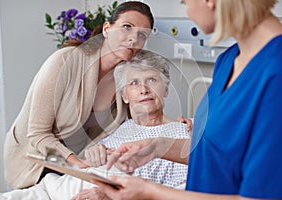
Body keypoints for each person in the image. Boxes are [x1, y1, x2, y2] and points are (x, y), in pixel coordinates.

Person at [94, 0, 282, 199]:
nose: (188, 12)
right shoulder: (228, 60)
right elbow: (217, 155)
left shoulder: (276, 72)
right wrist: (155, 146)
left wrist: (150, 192)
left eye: (185, 2)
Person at [0, 50, 190, 200]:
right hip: (57, 189)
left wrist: (111, 194)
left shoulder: (183, 134)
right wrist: (92, 154)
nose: (144, 89)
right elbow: (83, 164)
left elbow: (179, 190)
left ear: (166, 90)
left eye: (152, 80)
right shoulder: (115, 127)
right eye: (134, 83)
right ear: (124, 96)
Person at [3, 1, 157, 189]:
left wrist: (179, 124)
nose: (134, 39)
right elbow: (38, 134)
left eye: (142, 35)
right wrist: (77, 164)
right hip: (35, 160)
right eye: (127, 27)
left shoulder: (126, 78)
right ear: (107, 29)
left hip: (79, 164)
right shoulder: (65, 61)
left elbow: (142, 119)